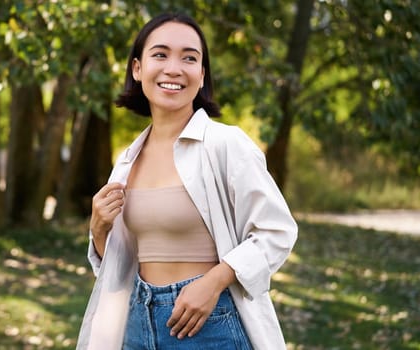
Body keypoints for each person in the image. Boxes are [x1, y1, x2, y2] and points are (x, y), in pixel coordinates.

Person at [77, 12, 298, 350]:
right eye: (160, 54)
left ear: (201, 74)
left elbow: (276, 231)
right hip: (136, 325)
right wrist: (98, 230)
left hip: (210, 326)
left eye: (189, 58)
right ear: (137, 69)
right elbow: (120, 269)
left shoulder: (225, 144)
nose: (174, 68)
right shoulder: (127, 160)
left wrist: (213, 282)